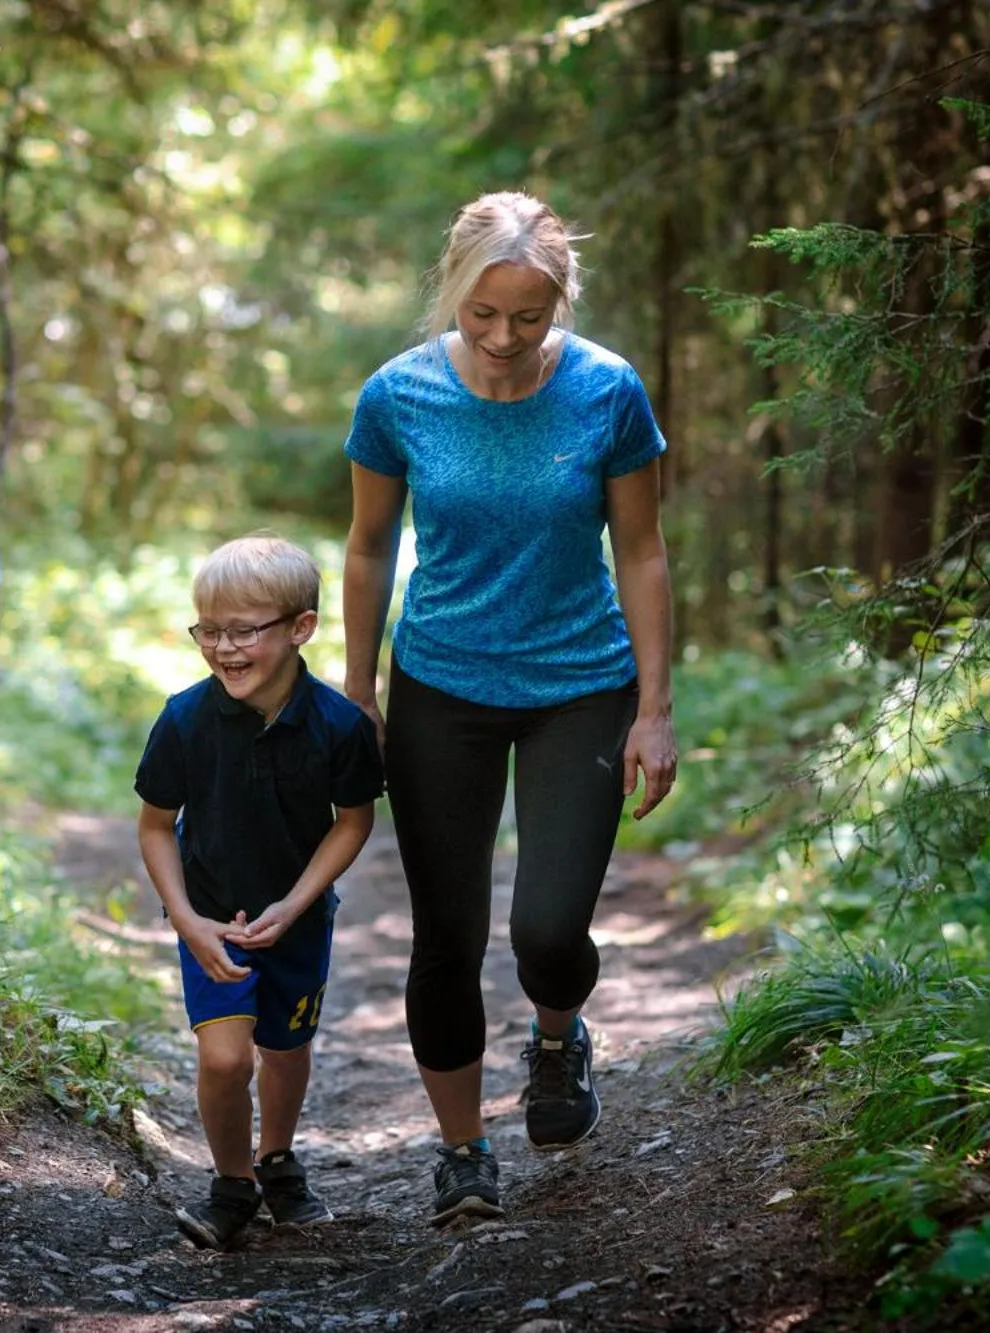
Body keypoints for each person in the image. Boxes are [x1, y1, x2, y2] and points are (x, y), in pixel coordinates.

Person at [341, 191, 678, 1226]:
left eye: (525, 318)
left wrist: (655, 708)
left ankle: (555, 1032)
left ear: (557, 304)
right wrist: (357, 692)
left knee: (545, 928)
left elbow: (642, 549)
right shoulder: (396, 396)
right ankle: (459, 1151)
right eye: (481, 314)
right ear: (453, 293)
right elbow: (365, 547)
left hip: (581, 682)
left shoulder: (606, 390)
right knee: (445, 934)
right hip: (440, 683)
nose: (499, 339)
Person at [135, 535, 384, 1250]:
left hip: (298, 922)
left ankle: (277, 1159)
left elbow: (354, 820)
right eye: (209, 630)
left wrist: (298, 901)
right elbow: (155, 826)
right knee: (224, 1056)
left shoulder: (338, 725)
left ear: (300, 626)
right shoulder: (184, 718)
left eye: (244, 630)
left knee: (285, 1044)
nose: (224, 648)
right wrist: (186, 919)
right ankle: (232, 1181)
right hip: (208, 919)